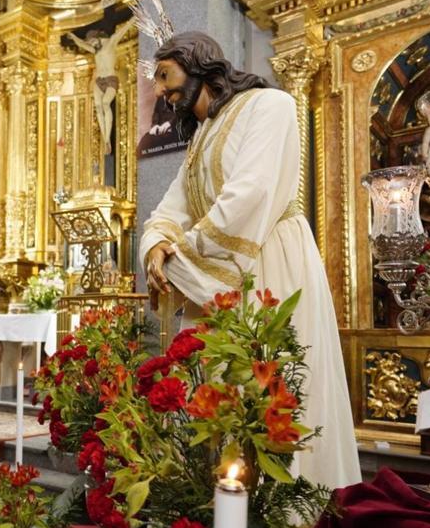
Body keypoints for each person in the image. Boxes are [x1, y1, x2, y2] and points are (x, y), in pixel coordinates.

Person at [139, 31, 361, 489]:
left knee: (273, 388)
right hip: (217, 281)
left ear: (197, 61)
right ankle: (221, 518)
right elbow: (168, 210)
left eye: (164, 75)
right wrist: (158, 245)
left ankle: (286, 521)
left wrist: (182, 253)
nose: (159, 91)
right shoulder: (200, 138)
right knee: (220, 400)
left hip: (270, 262)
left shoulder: (269, 105)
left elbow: (252, 192)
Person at [66, 19, 133, 153]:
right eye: (90, 43)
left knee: (105, 103)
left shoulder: (111, 42)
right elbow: (81, 43)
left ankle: (107, 138)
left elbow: (125, 28)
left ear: (97, 38)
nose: (91, 45)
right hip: (99, 81)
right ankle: (106, 140)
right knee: (98, 106)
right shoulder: (95, 49)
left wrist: (135, 17)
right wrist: (73, 36)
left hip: (110, 79)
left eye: (92, 42)